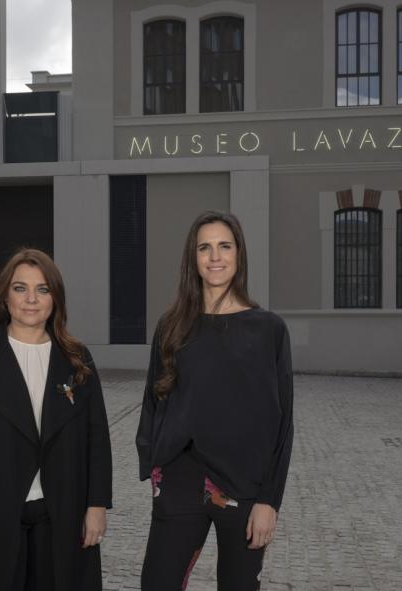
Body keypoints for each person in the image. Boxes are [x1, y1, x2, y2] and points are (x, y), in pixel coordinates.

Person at [0, 248, 113, 591]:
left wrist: (96, 505)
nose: (31, 299)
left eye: (43, 289)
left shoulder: (76, 359)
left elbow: (98, 437)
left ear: (55, 298)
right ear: (4, 296)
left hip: (63, 510)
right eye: (20, 288)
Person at [136, 211, 293, 591]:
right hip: (180, 480)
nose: (215, 256)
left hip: (245, 488)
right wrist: (155, 464)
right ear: (193, 258)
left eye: (224, 245)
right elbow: (153, 401)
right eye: (204, 247)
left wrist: (269, 501)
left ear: (239, 254)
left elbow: (282, 422)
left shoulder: (268, 329)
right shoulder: (171, 325)